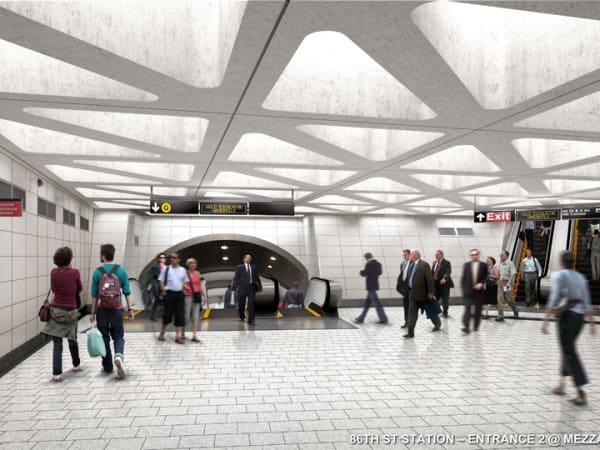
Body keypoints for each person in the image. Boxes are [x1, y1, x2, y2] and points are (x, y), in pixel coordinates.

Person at [541, 251, 595, 406]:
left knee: (569, 351)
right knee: (568, 349)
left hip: (566, 317)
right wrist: (591, 323)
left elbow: (554, 298)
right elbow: (587, 302)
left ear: (561, 262)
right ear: (573, 262)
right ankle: (561, 383)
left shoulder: (560, 275)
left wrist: (545, 320)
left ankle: (580, 390)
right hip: (579, 319)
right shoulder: (581, 277)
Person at [90, 244, 133, 379]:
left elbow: (94, 295)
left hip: (102, 310)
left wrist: (92, 313)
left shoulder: (97, 272)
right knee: (118, 336)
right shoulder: (121, 271)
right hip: (117, 309)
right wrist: (130, 309)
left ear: (103, 256)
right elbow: (127, 292)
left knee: (104, 337)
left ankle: (108, 366)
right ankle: (118, 355)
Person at [42, 247, 82, 382]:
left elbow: (54, 289)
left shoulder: (53, 272)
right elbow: (79, 288)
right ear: (69, 259)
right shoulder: (75, 272)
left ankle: (56, 373)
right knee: (72, 339)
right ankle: (76, 364)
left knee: (57, 343)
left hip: (55, 310)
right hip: (70, 310)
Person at [404, 249, 438, 338]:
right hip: (412, 293)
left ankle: (437, 324)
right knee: (412, 313)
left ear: (415, 256)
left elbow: (429, 279)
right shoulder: (411, 265)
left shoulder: (424, 265)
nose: (410, 256)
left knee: (430, 310)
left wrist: (431, 292)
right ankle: (410, 332)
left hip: (423, 294)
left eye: (411, 255)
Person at [158, 252, 188, 343]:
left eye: (174, 258)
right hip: (169, 294)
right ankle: (162, 333)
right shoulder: (166, 269)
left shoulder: (183, 270)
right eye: (171, 257)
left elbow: (184, 282)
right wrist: (163, 291)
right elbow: (161, 280)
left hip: (179, 295)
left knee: (179, 315)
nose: (172, 259)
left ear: (178, 259)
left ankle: (177, 336)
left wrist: (185, 289)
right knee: (167, 315)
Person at [355, 253, 387, 324]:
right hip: (375, 284)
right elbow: (380, 273)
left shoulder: (369, 264)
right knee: (367, 304)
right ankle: (361, 318)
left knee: (376, 303)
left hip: (370, 286)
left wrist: (361, 272)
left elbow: (365, 273)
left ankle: (383, 318)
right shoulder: (378, 264)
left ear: (367, 258)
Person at [460, 248, 488, 334]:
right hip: (468, 291)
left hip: (479, 292)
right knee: (467, 308)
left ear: (478, 255)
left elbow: (485, 276)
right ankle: (466, 326)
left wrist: (481, 283)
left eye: (475, 254)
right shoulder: (466, 265)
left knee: (478, 310)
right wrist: (463, 289)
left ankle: (476, 325)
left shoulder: (483, 265)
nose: (473, 256)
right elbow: (463, 277)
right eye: (472, 255)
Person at [183, 258, 205, 343]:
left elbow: (199, 285)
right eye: (191, 263)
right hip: (187, 296)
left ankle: (194, 335)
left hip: (196, 296)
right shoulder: (185, 273)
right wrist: (185, 287)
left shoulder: (197, 273)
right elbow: (181, 283)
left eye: (194, 263)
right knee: (186, 316)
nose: (193, 265)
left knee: (196, 316)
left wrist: (204, 296)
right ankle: (183, 333)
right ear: (188, 265)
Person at [233, 254, 259, 325]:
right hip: (242, 288)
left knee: (251, 303)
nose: (249, 259)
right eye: (248, 258)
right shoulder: (239, 267)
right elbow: (236, 278)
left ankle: (251, 319)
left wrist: (257, 286)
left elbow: (257, 277)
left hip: (251, 287)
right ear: (244, 259)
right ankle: (242, 315)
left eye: (250, 258)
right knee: (241, 304)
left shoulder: (254, 267)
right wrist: (235, 287)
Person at [496, 250, 519, 321]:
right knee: (499, 299)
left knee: (509, 299)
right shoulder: (500, 263)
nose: (500, 256)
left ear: (506, 256)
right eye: (500, 255)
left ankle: (515, 310)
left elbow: (513, 273)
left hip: (507, 283)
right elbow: (499, 274)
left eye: (502, 255)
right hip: (500, 282)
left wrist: (509, 282)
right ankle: (500, 316)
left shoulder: (510, 263)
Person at [142, 253, 165, 321]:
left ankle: (164, 315)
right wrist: (149, 286)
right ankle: (152, 316)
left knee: (165, 299)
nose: (163, 259)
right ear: (158, 259)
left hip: (163, 284)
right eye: (161, 257)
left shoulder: (165, 267)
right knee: (157, 299)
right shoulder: (155, 267)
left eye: (164, 257)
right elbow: (150, 277)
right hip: (156, 284)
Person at [432, 250, 453, 318]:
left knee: (445, 298)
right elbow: (432, 272)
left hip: (444, 284)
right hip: (436, 284)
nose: (436, 256)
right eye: (435, 254)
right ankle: (436, 311)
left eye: (437, 254)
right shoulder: (434, 262)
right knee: (435, 298)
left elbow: (448, 272)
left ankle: (445, 312)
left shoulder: (446, 262)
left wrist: (444, 278)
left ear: (442, 255)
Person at [396, 249, 412, 329]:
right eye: (403, 255)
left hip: (411, 288)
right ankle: (406, 322)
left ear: (409, 255)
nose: (404, 256)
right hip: (405, 289)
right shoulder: (402, 264)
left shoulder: (413, 263)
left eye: (405, 255)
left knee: (412, 306)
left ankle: (410, 322)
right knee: (406, 305)